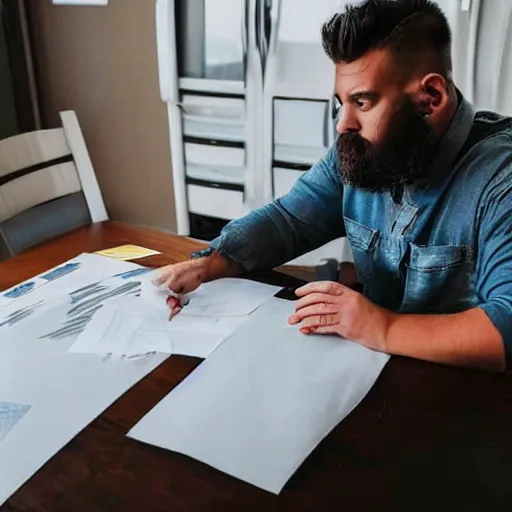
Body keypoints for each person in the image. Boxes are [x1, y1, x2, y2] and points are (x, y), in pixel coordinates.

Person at [156, 0, 512, 372]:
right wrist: (206, 265)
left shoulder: (501, 176)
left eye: (362, 101)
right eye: (340, 102)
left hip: (459, 395)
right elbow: (288, 220)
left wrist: (381, 326)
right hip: (364, 370)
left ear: (430, 98)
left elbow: (506, 326)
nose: (343, 124)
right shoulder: (364, 150)